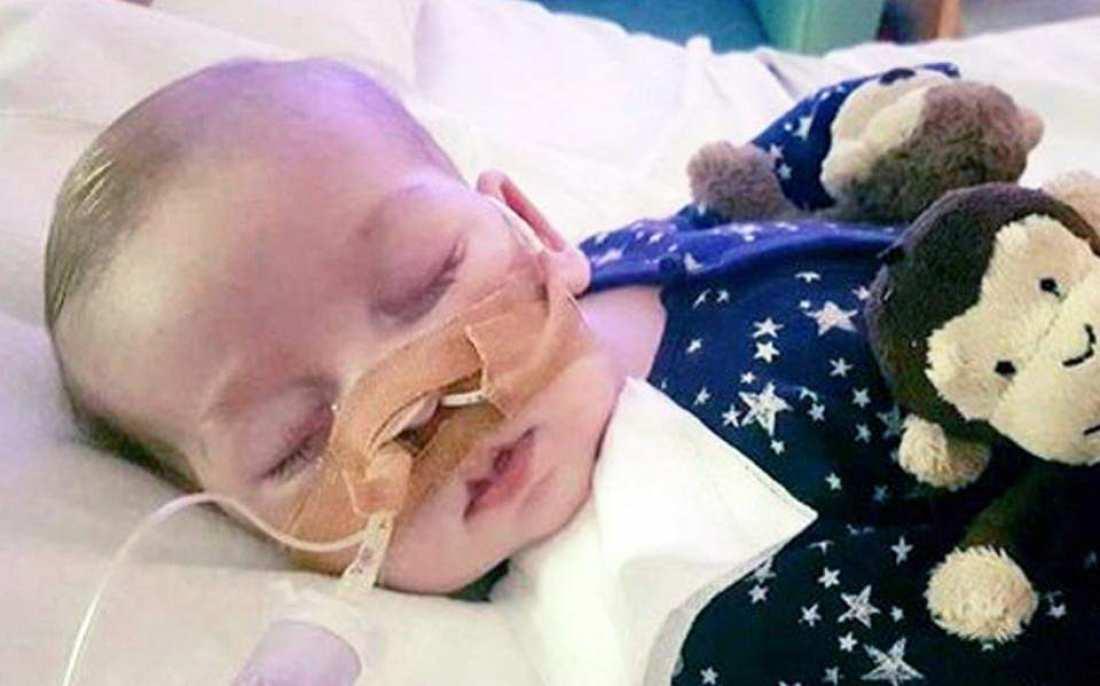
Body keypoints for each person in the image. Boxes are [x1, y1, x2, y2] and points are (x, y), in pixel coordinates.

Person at [44, 58, 1098, 683]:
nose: (415, 399)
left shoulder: (605, 265)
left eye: (426, 276)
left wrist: (871, 126)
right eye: (298, 443)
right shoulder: (674, 591)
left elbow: (743, 201)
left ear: (527, 226)